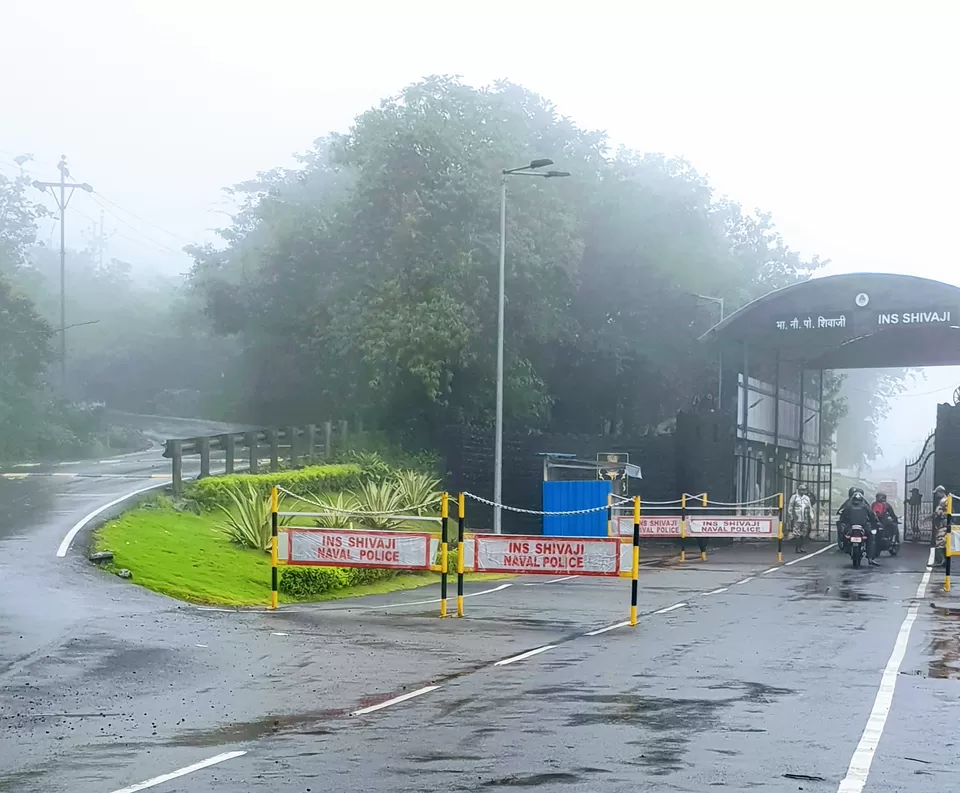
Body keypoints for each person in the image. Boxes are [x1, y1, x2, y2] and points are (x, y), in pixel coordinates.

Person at [839, 490, 881, 566]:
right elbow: (872, 516)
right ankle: (870, 558)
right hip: (863, 527)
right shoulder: (865, 506)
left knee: (844, 535)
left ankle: (844, 546)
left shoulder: (848, 506)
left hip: (851, 527)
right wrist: (876, 523)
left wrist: (843, 524)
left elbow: (843, 517)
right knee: (871, 538)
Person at [787, 484, 814, 553]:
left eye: (804, 490)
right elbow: (790, 507)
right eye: (802, 490)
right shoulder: (794, 497)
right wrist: (791, 516)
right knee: (796, 532)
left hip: (805, 517)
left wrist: (811, 517)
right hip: (797, 517)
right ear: (799, 490)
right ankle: (797, 547)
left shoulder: (806, 498)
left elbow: (810, 508)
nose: (803, 491)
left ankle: (801, 547)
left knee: (804, 532)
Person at [933, 485, 949, 567]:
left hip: (943, 524)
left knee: (940, 542)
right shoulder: (947, 500)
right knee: (945, 542)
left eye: (937, 493)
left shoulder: (943, 501)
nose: (936, 495)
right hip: (945, 523)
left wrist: (935, 514)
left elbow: (938, 512)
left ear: (941, 492)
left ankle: (943, 561)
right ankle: (944, 561)